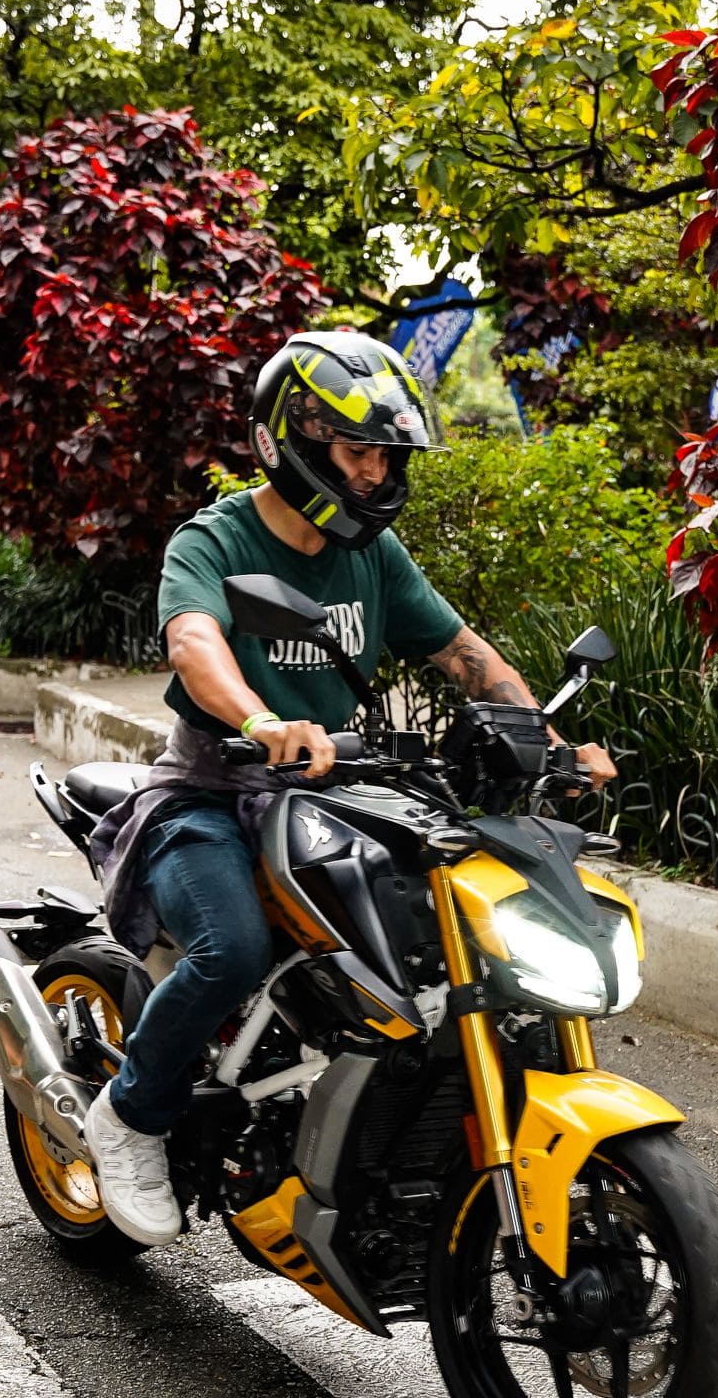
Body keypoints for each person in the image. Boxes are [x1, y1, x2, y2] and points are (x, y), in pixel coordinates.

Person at [78, 330, 617, 1246]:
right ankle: (130, 1115)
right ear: (289, 441)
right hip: (213, 791)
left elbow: (463, 652)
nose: (374, 472)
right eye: (355, 451)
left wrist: (549, 742)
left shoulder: (373, 554)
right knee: (230, 949)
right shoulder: (216, 539)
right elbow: (194, 642)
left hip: (334, 793)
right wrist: (261, 720)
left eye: (386, 455)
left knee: (432, 937)